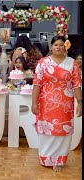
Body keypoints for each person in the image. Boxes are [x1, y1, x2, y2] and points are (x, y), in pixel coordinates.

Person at [31, 35, 82, 172]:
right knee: (47, 130)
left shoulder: (72, 63)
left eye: (61, 45)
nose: (58, 47)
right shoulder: (43, 62)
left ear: (65, 46)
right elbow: (37, 83)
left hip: (65, 104)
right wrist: (34, 102)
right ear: (51, 47)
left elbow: (77, 85)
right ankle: (46, 158)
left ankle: (59, 160)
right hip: (46, 103)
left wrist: (80, 102)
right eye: (55, 45)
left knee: (62, 131)